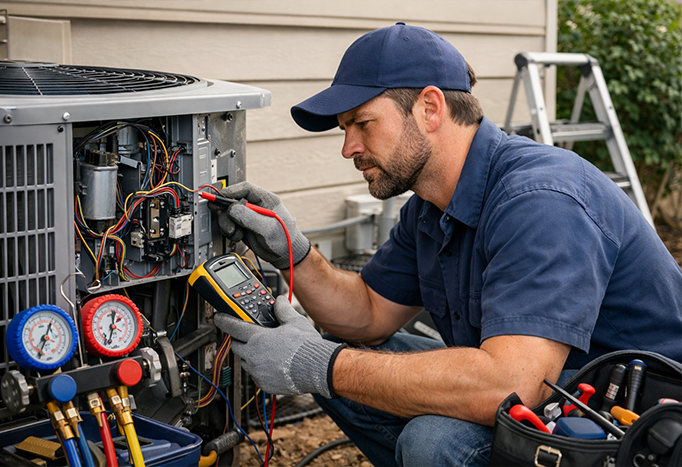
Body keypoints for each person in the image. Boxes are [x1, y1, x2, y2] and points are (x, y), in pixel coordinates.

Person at [209, 23, 682, 467]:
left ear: (430, 108)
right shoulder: (430, 207)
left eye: (362, 123)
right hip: (551, 397)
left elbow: (510, 384)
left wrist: (322, 367)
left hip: (642, 427)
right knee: (338, 345)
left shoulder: (541, 199)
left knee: (433, 440)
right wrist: (297, 254)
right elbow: (369, 314)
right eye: (343, 129)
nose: (348, 147)